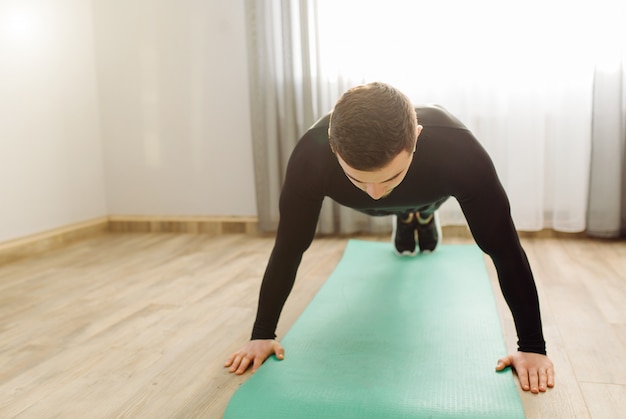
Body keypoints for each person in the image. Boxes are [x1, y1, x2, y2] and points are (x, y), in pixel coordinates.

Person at [225, 82, 555, 394]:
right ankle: (409, 214)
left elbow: (505, 250)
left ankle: (422, 213)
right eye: (358, 178)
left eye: (390, 176)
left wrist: (532, 347)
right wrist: (261, 334)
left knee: (419, 202)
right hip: (383, 203)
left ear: (418, 136)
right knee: (382, 204)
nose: (375, 192)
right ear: (332, 145)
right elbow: (289, 248)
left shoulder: (458, 150)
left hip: (430, 190)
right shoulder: (310, 157)